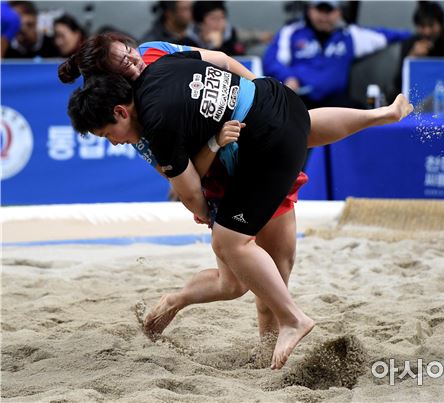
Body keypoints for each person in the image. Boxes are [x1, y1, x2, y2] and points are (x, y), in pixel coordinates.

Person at [60, 35, 413, 369]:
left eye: (129, 52)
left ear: (119, 110)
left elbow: (189, 187)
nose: (134, 61)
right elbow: (185, 183)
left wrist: (250, 97)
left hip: (259, 149)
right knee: (236, 281)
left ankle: (274, 344)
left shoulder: (153, 65)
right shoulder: (147, 109)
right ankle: (183, 304)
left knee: (266, 269)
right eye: (124, 63)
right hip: (244, 153)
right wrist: (223, 133)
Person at [263, 0, 410, 109]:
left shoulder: (350, 35)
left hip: (335, 103)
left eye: (329, 10)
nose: (324, 16)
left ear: (338, 12)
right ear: (310, 10)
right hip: (299, 100)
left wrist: (415, 39)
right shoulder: (291, 32)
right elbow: (271, 61)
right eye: (320, 10)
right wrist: (288, 77)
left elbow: (387, 36)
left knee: (361, 113)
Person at [394, 1, 444, 95]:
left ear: (441, 25)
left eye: (431, 25)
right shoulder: (409, 44)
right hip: (421, 96)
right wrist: (412, 58)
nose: (427, 32)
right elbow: (398, 85)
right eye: (422, 26)